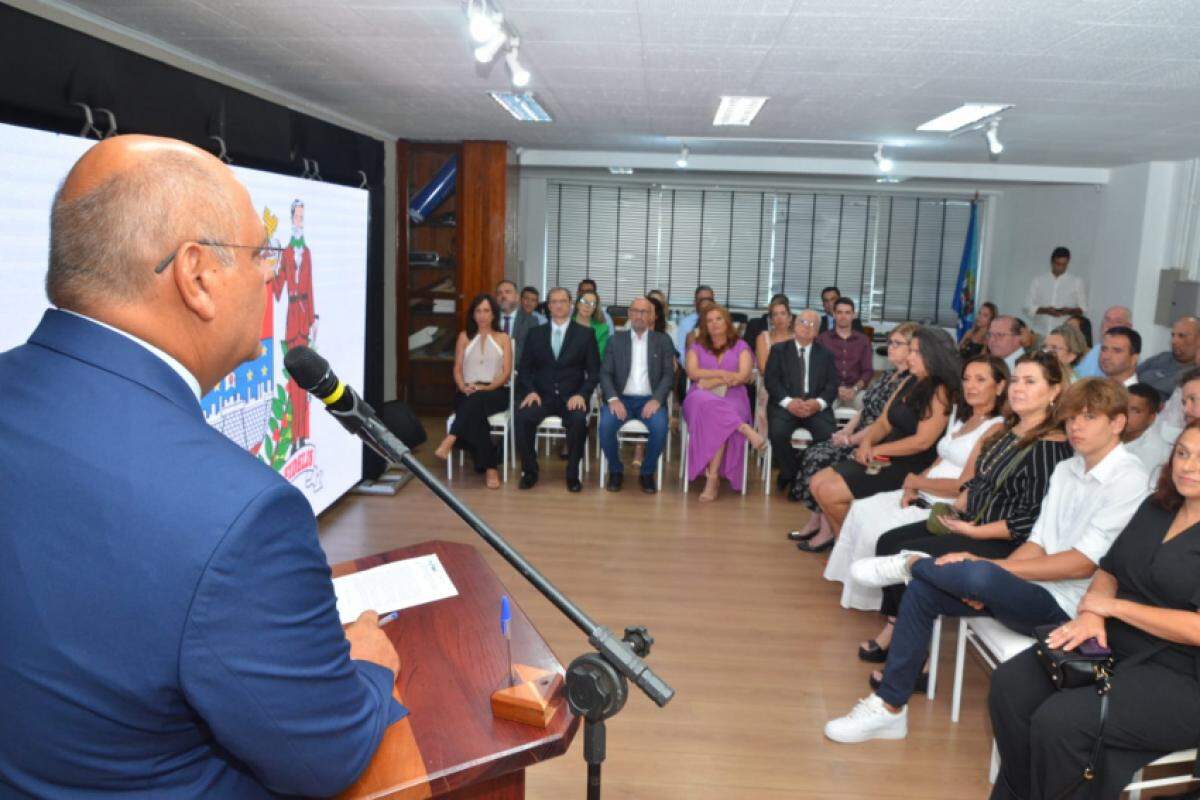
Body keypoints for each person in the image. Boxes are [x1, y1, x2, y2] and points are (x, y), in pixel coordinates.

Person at [0, 135, 403, 798]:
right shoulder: (241, 514)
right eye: (261, 254)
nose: (273, 274)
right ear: (198, 276)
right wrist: (366, 661)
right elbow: (325, 756)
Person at [828, 378, 1149, 744]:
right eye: (1072, 417)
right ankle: (889, 709)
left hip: (1072, 611)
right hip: (1032, 592)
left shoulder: (1129, 479)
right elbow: (1039, 541)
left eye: (1089, 417)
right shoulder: (1067, 470)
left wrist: (994, 575)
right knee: (925, 591)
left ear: (1118, 423)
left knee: (978, 573)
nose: (1076, 426)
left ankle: (911, 563)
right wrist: (1001, 586)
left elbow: (1082, 564)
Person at [988, 421, 1200, 800]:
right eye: (1183, 453)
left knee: (1062, 721)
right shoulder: (1158, 508)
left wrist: (1112, 606)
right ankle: (1024, 792)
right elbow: (1109, 568)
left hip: (1184, 672)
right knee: (1011, 686)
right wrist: (1091, 614)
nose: (1188, 466)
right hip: (1114, 639)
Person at [859, 352, 1074, 661]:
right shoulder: (1008, 431)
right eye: (1015, 380)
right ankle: (896, 628)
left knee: (909, 553)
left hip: (1003, 542)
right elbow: (977, 481)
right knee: (889, 541)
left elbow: (1027, 520)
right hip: (969, 523)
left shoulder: (1049, 446)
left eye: (1030, 382)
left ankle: (914, 657)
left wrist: (975, 530)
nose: (1018, 388)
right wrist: (957, 508)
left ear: (1054, 392)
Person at [824, 355, 1008, 615]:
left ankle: (879, 600)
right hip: (924, 487)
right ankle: (855, 587)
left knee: (877, 528)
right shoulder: (964, 418)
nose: (971, 386)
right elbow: (938, 459)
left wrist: (917, 481)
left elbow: (964, 484)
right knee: (862, 509)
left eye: (981, 380)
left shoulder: (995, 428)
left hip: (942, 502)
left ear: (1000, 387)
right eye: (967, 379)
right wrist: (914, 484)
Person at [804, 326, 959, 552]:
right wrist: (867, 443)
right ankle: (844, 546)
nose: (909, 356)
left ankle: (848, 548)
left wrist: (877, 450)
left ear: (932, 355)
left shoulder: (940, 390)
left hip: (910, 464)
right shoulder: (910, 381)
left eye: (916, 352)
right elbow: (884, 421)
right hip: (884, 454)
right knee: (817, 482)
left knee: (829, 491)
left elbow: (922, 442)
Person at [787, 323, 917, 538]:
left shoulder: (909, 383)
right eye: (890, 342)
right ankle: (817, 519)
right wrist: (845, 433)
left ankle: (828, 529)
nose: (890, 348)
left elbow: (883, 424)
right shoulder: (888, 375)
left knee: (821, 458)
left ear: (913, 349)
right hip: (860, 435)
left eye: (897, 344)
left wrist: (850, 441)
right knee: (813, 452)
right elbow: (865, 410)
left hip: (876, 443)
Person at [514, 287, 601, 492]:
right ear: (548, 306)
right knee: (523, 417)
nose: (559, 305)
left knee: (579, 421)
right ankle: (530, 471)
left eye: (563, 301)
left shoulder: (585, 334)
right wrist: (530, 391)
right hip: (541, 396)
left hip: (572, 397)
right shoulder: (535, 334)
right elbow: (524, 370)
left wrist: (582, 394)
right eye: (554, 301)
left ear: (571, 304)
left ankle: (572, 474)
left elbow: (595, 372)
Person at [682, 303, 766, 501]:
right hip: (698, 399)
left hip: (733, 396)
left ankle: (712, 478)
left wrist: (712, 381)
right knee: (709, 405)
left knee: (717, 418)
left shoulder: (741, 346)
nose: (714, 324)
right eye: (709, 321)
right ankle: (744, 429)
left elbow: (743, 376)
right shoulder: (696, 346)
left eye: (718, 319)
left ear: (727, 322)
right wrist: (722, 374)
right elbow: (692, 373)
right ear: (704, 325)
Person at [434, 293, 513, 489]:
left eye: (486, 310)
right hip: (467, 391)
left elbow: (506, 373)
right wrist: (462, 386)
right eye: (478, 311)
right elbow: (457, 369)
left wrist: (486, 387)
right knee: (475, 409)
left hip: (496, 392)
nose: (482, 315)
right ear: (473, 314)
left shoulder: (503, 338)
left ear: (494, 314)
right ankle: (491, 467)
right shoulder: (464, 336)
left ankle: (452, 438)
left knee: (476, 401)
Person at [598, 297, 676, 493]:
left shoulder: (663, 340)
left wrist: (657, 399)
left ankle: (647, 472)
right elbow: (605, 373)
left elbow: (669, 374)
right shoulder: (615, 340)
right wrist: (613, 399)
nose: (639, 316)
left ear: (652, 316)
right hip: (621, 398)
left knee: (660, 427)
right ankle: (616, 470)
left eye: (645, 312)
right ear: (630, 314)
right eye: (636, 311)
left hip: (650, 400)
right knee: (605, 426)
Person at [765, 309, 839, 494]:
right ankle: (792, 473)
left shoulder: (826, 355)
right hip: (786, 405)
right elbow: (771, 381)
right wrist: (789, 402)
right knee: (778, 433)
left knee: (828, 436)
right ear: (795, 325)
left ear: (817, 332)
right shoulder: (779, 350)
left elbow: (832, 385)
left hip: (815, 407)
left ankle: (807, 475)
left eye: (812, 324)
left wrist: (818, 403)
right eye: (803, 322)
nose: (807, 328)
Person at [271, 198, 318, 450]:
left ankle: (303, 435)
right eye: (297, 217)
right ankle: (293, 437)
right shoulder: (287, 252)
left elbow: (309, 288)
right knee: (294, 383)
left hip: (304, 322)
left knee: (308, 382)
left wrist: (313, 320)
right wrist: (273, 264)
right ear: (292, 220)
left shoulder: (306, 252)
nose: (300, 221)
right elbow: (277, 289)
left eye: (303, 216)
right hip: (291, 322)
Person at [817, 296, 874, 409]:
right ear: (834, 314)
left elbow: (867, 371)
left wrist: (855, 389)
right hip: (829, 390)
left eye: (847, 313)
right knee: (820, 409)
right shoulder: (822, 339)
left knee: (869, 407)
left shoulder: (863, 340)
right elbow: (818, 370)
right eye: (839, 312)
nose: (843, 316)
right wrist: (836, 388)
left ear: (853, 315)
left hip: (856, 391)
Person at [1025, 245, 1088, 338]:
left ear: (1068, 263)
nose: (1060, 268)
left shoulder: (1077, 282)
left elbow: (1083, 309)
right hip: (1039, 332)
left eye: (1064, 265)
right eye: (1058, 264)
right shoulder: (1038, 280)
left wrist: (1069, 311)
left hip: (1064, 335)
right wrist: (1046, 310)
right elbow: (1027, 306)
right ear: (1051, 261)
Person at [1137, 316, 1200, 400]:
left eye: (1182, 336)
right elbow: (1132, 376)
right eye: (1173, 335)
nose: (1174, 341)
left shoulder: (1196, 373)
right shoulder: (1162, 357)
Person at [1124, 382, 1171, 484]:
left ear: (1151, 418)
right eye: (1123, 407)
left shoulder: (1154, 450)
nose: (1125, 415)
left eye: (1135, 411)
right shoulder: (1108, 430)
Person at [1074, 305, 1132, 378]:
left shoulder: (1130, 354)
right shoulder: (1096, 349)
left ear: (1128, 327)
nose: (1110, 325)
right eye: (1107, 320)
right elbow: (1076, 376)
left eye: (1118, 321)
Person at [495, 279, 539, 361]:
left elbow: (531, 353)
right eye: (499, 293)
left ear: (517, 297)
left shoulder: (531, 321)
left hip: (519, 370)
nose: (503, 296)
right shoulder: (490, 319)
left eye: (507, 292)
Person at [754, 296, 794, 373]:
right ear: (771, 320)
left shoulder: (798, 338)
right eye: (775, 314)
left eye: (783, 313)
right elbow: (763, 369)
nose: (779, 318)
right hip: (769, 383)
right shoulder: (763, 338)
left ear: (790, 317)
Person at [674, 285, 715, 358]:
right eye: (702, 299)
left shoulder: (720, 321)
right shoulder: (685, 323)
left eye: (709, 299)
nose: (706, 303)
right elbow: (681, 352)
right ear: (695, 303)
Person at [573, 289, 610, 359]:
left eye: (592, 303)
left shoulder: (602, 329)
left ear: (595, 308)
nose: (587, 306)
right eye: (585, 301)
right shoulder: (565, 324)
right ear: (578, 304)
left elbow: (598, 357)